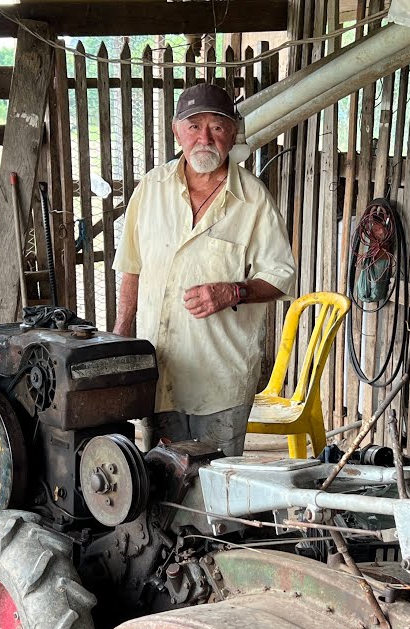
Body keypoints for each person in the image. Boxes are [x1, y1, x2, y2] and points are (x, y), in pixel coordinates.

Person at [113, 83, 296, 456]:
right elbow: (131, 268)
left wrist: (234, 292)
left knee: (216, 494)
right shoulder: (151, 188)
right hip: (159, 374)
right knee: (160, 490)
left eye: (217, 126)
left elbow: (279, 277)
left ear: (232, 133)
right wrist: (119, 338)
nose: (205, 138)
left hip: (220, 382)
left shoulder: (254, 200)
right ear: (177, 130)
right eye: (194, 126)